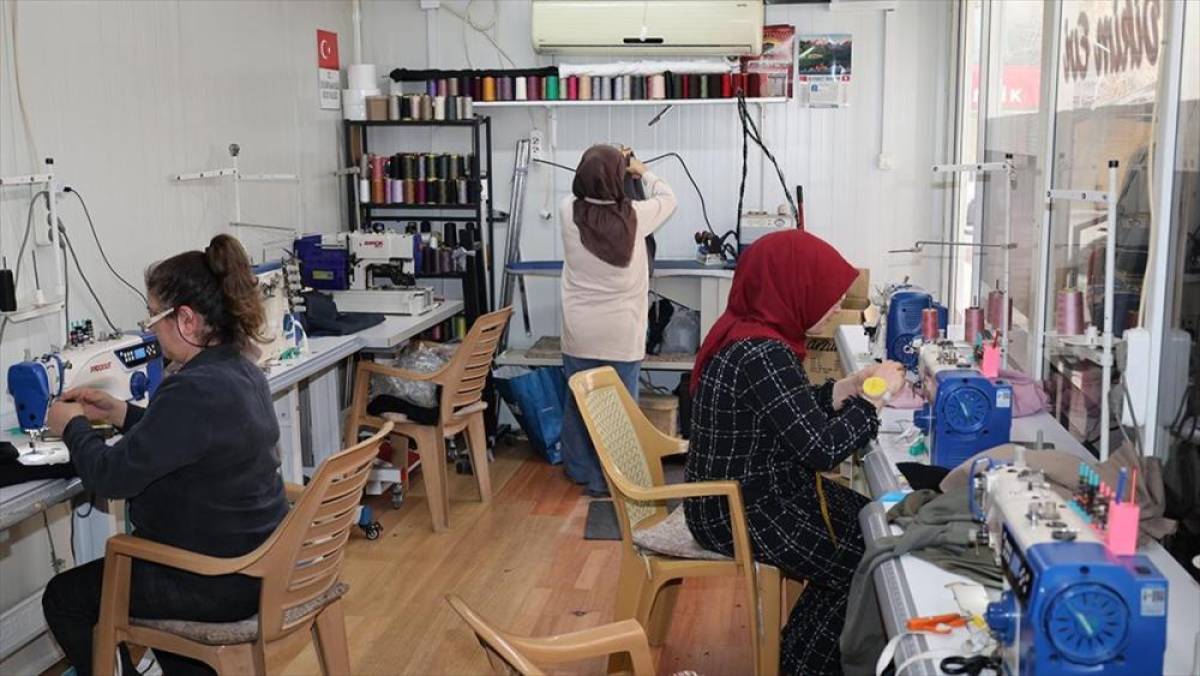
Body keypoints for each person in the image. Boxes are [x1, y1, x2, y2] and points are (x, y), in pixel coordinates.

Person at [42, 234, 288, 676]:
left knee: (64, 598)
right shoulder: (239, 369)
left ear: (187, 320)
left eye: (154, 316)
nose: (150, 328)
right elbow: (185, 438)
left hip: (213, 581)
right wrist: (119, 413)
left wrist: (72, 426)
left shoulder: (190, 388)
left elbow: (110, 478)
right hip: (256, 564)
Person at [683, 229, 904, 676]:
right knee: (868, 564)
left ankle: (798, 654)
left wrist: (842, 391)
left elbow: (784, 412)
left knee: (872, 523)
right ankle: (803, 665)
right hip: (739, 511)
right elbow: (822, 450)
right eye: (827, 296)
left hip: (745, 493)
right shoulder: (763, 354)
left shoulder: (749, 332)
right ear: (793, 289)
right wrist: (873, 399)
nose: (835, 308)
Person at [559, 144, 677, 497]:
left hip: (579, 332)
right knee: (620, 412)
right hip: (621, 335)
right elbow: (669, 197)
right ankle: (609, 480)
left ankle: (579, 470)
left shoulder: (567, 211)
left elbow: (592, 184)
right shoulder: (637, 217)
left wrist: (607, 163)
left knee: (579, 404)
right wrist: (640, 169)